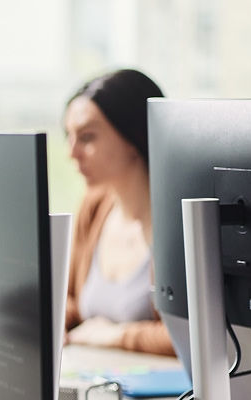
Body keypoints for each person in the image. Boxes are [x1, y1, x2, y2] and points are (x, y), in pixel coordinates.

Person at [63, 69, 174, 356]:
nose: (71, 152)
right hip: (92, 377)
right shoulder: (94, 205)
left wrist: (116, 336)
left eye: (86, 137)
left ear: (133, 136)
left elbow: (189, 337)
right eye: (69, 136)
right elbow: (72, 301)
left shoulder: (179, 222)